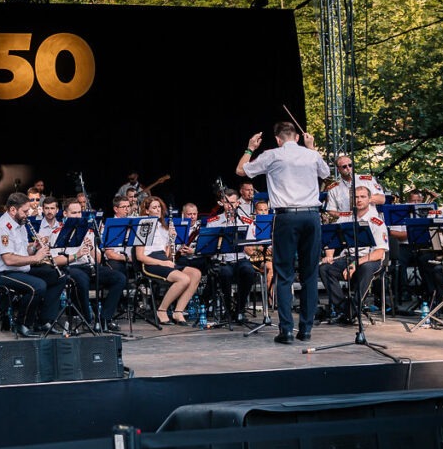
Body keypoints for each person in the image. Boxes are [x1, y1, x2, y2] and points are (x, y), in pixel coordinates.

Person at [237, 121, 330, 344]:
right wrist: (312, 147)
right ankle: (306, 330)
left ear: (278, 139)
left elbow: (241, 170)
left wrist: (250, 147)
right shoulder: (311, 155)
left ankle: (286, 331)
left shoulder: (272, 154)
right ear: (297, 137)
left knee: (284, 274)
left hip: (286, 217)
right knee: (309, 274)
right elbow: (326, 174)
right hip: (311, 216)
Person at [0, 192, 69, 337]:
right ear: (12, 210)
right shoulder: (2, 227)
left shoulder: (20, 224)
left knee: (58, 277)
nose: (27, 214)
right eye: (24, 211)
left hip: (18, 269)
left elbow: (24, 251)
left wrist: (34, 247)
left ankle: (45, 320)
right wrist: (37, 258)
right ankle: (22, 324)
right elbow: (9, 259)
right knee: (37, 286)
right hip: (1, 273)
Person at [317, 186, 390, 323]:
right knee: (324, 268)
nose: (359, 200)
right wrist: (329, 255)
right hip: (348, 257)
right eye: (356, 197)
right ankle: (344, 308)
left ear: (369, 199)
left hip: (369, 258)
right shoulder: (345, 217)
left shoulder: (376, 221)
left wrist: (355, 264)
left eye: (363, 197)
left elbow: (379, 252)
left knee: (366, 268)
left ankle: (354, 308)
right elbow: (331, 239)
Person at [54, 197, 127, 331]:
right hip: (71, 266)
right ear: (65, 214)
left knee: (119, 278)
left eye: (79, 212)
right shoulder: (58, 233)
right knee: (82, 280)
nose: (77, 216)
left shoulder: (88, 231)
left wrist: (91, 248)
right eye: (73, 213)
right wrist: (78, 254)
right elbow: (55, 261)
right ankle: (86, 320)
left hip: (89, 266)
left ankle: (104, 319)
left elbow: (98, 260)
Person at [134, 196, 203, 326]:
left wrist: (171, 240)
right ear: (147, 211)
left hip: (164, 259)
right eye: (154, 207)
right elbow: (140, 256)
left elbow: (167, 254)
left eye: (159, 207)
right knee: (184, 279)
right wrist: (163, 263)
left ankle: (178, 311)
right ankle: (162, 310)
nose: (158, 209)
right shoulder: (144, 226)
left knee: (196, 274)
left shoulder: (163, 226)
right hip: (150, 263)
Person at [203, 188, 256, 324]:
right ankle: (226, 309)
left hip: (240, 258)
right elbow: (209, 247)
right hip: (223, 261)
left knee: (249, 271)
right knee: (225, 273)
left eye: (232, 203)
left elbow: (250, 249)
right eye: (227, 203)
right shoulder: (213, 221)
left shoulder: (245, 221)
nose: (230, 206)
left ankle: (239, 309)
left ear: (238, 203)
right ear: (222, 203)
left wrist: (245, 244)